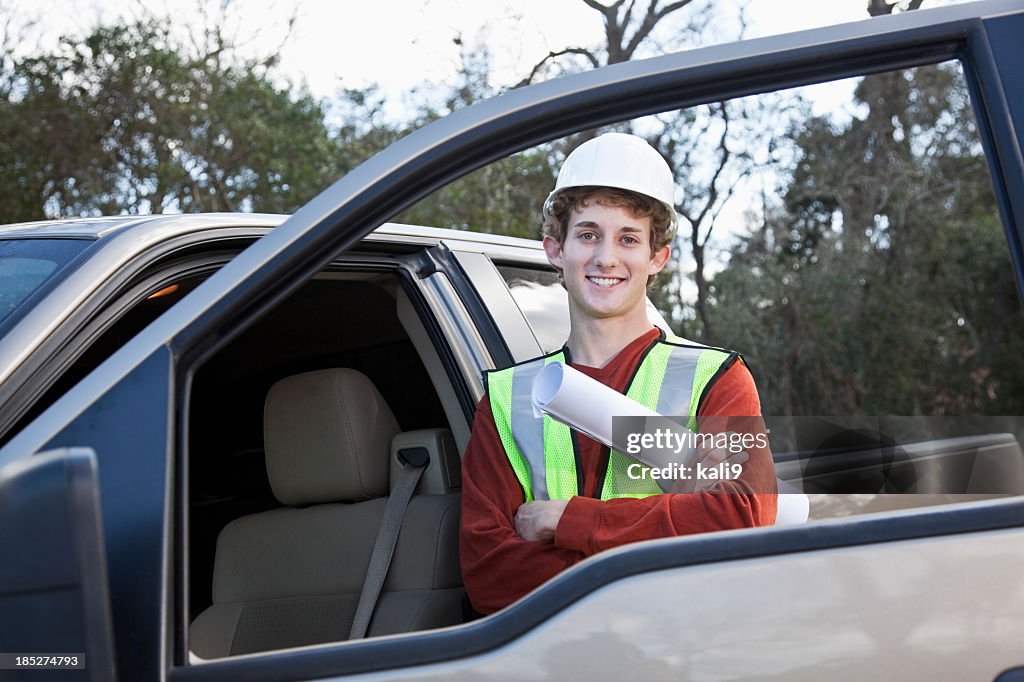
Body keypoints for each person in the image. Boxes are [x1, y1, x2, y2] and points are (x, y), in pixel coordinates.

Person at [459, 132, 778, 616]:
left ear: (657, 258)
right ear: (554, 249)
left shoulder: (717, 377)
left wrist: (571, 521)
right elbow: (489, 575)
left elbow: (743, 513)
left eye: (628, 238)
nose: (606, 257)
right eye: (588, 235)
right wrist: (646, 579)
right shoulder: (507, 398)